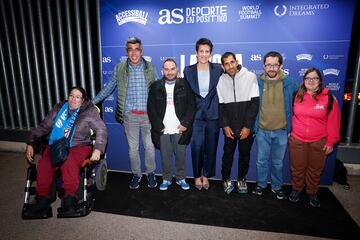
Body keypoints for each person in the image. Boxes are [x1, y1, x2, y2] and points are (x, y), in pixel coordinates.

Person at [23, 86, 108, 218]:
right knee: (44, 163)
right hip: (56, 145)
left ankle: (69, 198)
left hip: (78, 145)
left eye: (77, 97)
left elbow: (101, 130)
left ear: (83, 99)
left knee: (68, 160)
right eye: (71, 95)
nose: (73, 99)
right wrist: (30, 141)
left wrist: (98, 149)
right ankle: (42, 200)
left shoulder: (89, 111)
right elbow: (44, 126)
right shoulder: (59, 108)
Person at [92, 37, 158, 189]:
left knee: (149, 147)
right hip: (129, 116)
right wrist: (92, 102)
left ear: (141, 51)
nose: (134, 53)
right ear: (127, 51)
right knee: (133, 149)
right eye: (130, 49)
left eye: (137, 49)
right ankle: (136, 174)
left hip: (148, 116)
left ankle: (150, 173)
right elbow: (108, 88)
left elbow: (159, 90)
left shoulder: (150, 68)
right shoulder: (119, 68)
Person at [288, 68, 340, 207]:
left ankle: (312, 191)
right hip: (297, 139)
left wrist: (330, 142)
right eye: (308, 78)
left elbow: (334, 122)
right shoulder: (296, 96)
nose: (311, 81)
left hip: (319, 140)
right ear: (303, 81)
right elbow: (289, 114)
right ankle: (296, 189)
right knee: (297, 168)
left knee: (315, 169)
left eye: (315, 78)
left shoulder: (329, 99)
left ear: (320, 81)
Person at [252, 51, 298, 199]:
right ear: (264, 66)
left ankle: (277, 187)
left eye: (275, 65)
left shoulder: (290, 82)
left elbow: (299, 104)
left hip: (282, 131)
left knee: (278, 163)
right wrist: (255, 127)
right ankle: (261, 184)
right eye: (268, 65)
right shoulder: (257, 82)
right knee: (261, 161)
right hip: (262, 131)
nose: (271, 68)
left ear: (281, 65)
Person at [147, 59, 196, 190]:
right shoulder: (155, 86)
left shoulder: (185, 84)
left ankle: (181, 178)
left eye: (172, 69)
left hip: (180, 128)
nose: (169, 72)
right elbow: (151, 108)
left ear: (177, 70)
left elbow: (192, 106)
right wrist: (158, 126)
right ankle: (166, 179)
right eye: (167, 69)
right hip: (163, 129)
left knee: (181, 155)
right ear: (162, 71)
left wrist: (185, 123)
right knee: (165, 156)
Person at [183, 38, 223, 190]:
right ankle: (196, 175)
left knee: (211, 147)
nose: (204, 54)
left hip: (213, 115)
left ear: (211, 53)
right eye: (201, 51)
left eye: (207, 51)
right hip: (196, 116)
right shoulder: (188, 70)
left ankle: (206, 175)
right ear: (196, 53)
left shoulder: (218, 69)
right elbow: (186, 94)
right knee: (196, 147)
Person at [217, 52, 259, 194]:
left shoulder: (250, 77)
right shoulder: (220, 80)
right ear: (223, 66)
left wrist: (248, 126)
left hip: (246, 127)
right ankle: (226, 179)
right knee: (227, 154)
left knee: (245, 155)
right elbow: (221, 106)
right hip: (229, 127)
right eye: (226, 64)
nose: (230, 66)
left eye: (232, 62)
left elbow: (254, 104)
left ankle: (242, 178)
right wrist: (225, 125)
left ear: (237, 61)